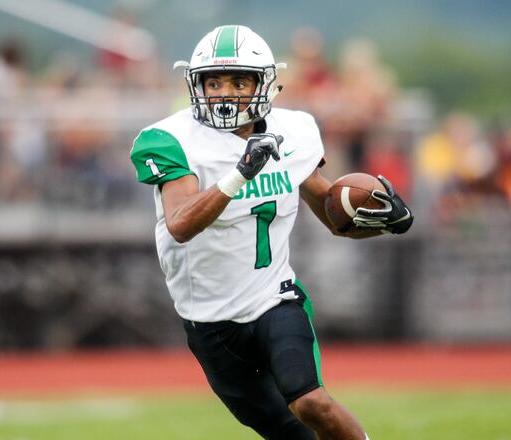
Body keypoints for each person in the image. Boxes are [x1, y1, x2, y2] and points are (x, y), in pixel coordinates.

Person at [130, 25, 413, 439]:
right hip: (210, 322)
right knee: (289, 432)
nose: (224, 92)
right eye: (214, 81)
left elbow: (336, 219)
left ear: (264, 84)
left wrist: (388, 222)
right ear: (197, 84)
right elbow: (180, 224)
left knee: (311, 402)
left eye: (239, 81)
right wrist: (241, 172)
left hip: (274, 299)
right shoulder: (170, 139)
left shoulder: (293, 131)